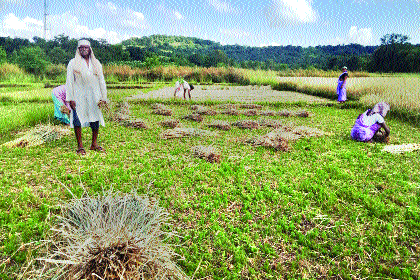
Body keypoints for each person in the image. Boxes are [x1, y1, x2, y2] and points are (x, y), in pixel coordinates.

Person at [65, 39, 108, 155]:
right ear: (78, 49)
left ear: (90, 49)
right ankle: (80, 146)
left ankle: (94, 144)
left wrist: (104, 97)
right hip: (78, 96)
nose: (84, 49)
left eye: (86, 47)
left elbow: (101, 81)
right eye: (81, 47)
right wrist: (71, 98)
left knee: (95, 119)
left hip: (94, 95)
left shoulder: (96, 63)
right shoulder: (73, 63)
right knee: (77, 119)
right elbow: (69, 81)